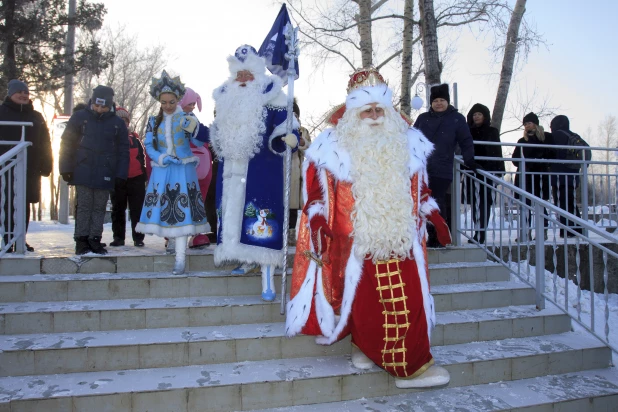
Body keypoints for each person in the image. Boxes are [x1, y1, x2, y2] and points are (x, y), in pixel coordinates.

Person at [286, 68, 451, 389]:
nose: (374, 116)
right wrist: (318, 220)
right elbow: (317, 193)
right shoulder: (331, 146)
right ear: (353, 111)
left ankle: (407, 361)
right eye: (367, 110)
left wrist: (435, 215)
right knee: (363, 303)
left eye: (380, 109)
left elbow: (421, 188)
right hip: (351, 242)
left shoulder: (408, 142)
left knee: (405, 299)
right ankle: (388, 359)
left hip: (400, 238)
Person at [209, 45, 299, 301]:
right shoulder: (226, 100)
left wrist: (289, 137)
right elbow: (217, 137)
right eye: (239, 74)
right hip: (230, 175)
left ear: (258, 73)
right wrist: (198, 131)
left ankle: (267, 277)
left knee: (262, 226)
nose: (244, 79)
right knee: (234, 218)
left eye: (248, 74)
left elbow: (286, 127)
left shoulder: (275, 99)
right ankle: (245, 259)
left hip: (262, 173)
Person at [135, 70, 209, 275]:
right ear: (159, 101)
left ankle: (180, 259)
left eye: (172, 101)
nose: (168, 106)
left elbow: (200, 141)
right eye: (164, 102)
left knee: (183, 215)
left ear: (178, 100)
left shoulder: (186, 118)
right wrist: (160, 157)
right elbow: (148, 145)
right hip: (163, 172)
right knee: (166, 211)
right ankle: (172, 244)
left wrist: (196, 129)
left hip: (184, 172)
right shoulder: (153, 121)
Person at [59, 85, 130, 255]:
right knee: (84, 206)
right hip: (82, 169)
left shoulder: (117, 123)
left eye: (103, 106)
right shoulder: (79, 117)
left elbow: (123, 151)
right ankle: (81, 240)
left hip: (105, 171)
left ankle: (95, 238)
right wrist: (66, 167)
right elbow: (67, 143)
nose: (99, 109)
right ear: (92, 102)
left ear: (110, 105)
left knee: (99, 206)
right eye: (96, 106)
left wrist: (121, 174)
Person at [413, 83, 477, 247]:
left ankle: (439, 237)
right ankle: (425, 235)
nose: (439, 103)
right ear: (431, 103)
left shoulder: (456, 119)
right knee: (422, 202)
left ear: (447, 101)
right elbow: (412, 140)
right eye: (435, 101)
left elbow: (466, 140)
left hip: (442, 167)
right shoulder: (423, 119)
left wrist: (469, 159)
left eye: (442, 100)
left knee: (437, 200)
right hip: (422, 168)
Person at [0, 79, 53, 252]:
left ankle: (21, 238)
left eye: (26, 93)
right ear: (10, 94)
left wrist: (46, 164)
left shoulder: (36, 116)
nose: (23, 95)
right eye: (19, 92)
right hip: (6, 168)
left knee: (24, 204)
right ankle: (8, 239)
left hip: (30, 168)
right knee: (6, 203)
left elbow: (45, 141)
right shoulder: (2, 112)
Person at [465, 103, 505, 244]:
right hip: (471, 170)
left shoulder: (491, 131)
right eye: (474, 114)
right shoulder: (467, 131)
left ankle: (481, 232)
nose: (476, 117)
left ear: (484, 116)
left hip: (486, 171)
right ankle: (477, 231)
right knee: (474, 202)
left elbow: (497, 150)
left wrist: (499, 169)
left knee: (484, 203)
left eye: (479, 114)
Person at [178, 87, 212, 249]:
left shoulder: (193, 120)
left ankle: (197, 232)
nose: (191, 107)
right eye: (189, 104)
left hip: (201, 165)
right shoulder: (170, 119)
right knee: (178, 197)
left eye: (193, 104)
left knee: (198, 199)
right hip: (180, 165)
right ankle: (175, 232)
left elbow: (200, 139)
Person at [511, 112, 554, 241]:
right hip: (525, 177)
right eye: (525, 124)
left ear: (535, 123)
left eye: (529, 123)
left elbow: (552, 154)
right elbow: (515, 159)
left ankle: (542, 232)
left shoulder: (545, 138)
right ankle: (525, 232)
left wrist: (537, 159)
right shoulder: (522, 141)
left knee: (539, 206)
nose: (527, 126)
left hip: (539, 176)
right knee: (525, 206)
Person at [109, 107, 147, 247]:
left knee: (137, 210)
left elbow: (142, 158)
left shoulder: (136, 139)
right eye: (119, 120)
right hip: (118, 178)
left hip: (136, 179)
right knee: (118, 209)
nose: (122, 123)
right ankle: (118, 238)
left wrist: (144, 175)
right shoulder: (111, 139)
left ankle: (138, 238)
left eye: (125, 120)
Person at [549, 115, 583, 237]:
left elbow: (554, 154)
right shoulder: (573, 135)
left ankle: (570, 231)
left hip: (559, 175)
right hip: (572, 176)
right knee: (569, 203)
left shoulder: (556, 136)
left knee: (562, 204)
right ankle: (574, 229)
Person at [289, 99, 311, 244]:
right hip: (283, 171)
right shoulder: (281, 129)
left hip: (297, 173)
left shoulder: (302, 131)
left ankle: (291, 233)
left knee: (293, 205)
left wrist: (302, 142)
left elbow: (308, 146)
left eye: (295, 115)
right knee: (283, 203)